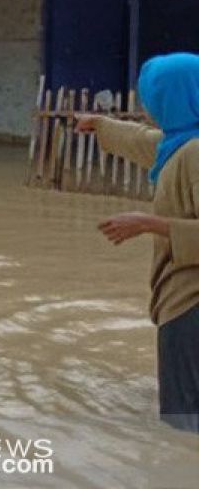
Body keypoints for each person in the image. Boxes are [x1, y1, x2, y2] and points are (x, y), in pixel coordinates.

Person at [78, 53, 199, 434]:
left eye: (154, 99)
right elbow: (146, 142)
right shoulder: (183, 142)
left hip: (191, 302)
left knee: (183, 425)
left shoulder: (195, 153)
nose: (149, 110)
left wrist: (151, 223)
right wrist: (100, 125)